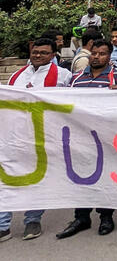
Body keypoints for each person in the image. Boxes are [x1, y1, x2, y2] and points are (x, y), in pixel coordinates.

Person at [56, 39, 117, 240]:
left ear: (109, 56)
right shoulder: (76, 78)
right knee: (80, 177)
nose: (96, 57)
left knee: (106, 177)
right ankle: (81, 217)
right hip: (80, 137)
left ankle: (106, 216)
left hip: (106, 137)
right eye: (94, 53)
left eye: (102, 53)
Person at [1, 37, 70, 242]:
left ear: (53, 55)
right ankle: (3, 225)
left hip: (44, 135)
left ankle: (33, 220)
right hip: (15, 135)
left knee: (37, 179)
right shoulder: (16, 76)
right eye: (35, 52)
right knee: (7, 179)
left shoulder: (63, 76)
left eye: (44, 53)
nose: (38, 55)